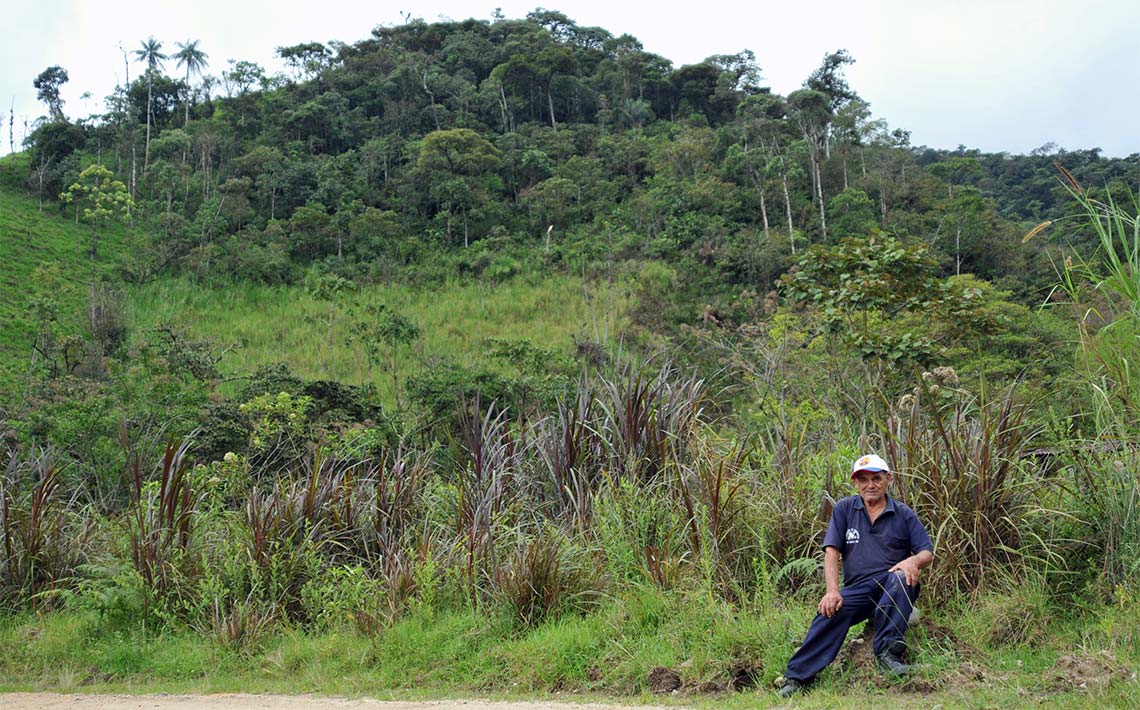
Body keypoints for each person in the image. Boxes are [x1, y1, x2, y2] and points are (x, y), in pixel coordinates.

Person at [776, 454, 934, 698]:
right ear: (855, 483)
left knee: (901, 578)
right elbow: (831, 552)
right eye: (863, 479)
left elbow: (926, 552)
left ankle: (888, 656)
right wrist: (832, 591)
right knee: (830, 610)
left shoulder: (903, 513)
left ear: (888, 479)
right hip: (859, 589)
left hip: (892, 587)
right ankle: (797, 677)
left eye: (876, 478)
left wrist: (913, 560)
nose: (870, 484)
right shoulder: (844, 509)